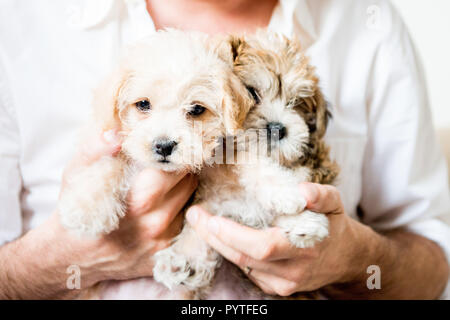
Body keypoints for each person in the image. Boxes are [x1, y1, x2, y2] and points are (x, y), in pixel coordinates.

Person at [0, 0, 449, 300]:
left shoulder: (369, 22)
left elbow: (433, 257)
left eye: (198, 110)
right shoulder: (22, 25)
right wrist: (64, 260)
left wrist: (354, 261)